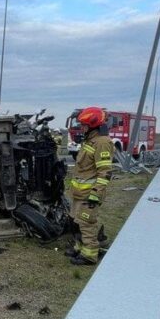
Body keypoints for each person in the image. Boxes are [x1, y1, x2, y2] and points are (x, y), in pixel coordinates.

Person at [66, 106, 114, 266]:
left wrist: (95, 194)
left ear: (93, 126)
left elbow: (105, 172)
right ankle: (79, 248)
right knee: (76, 223)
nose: (82, 128)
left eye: (84, 125)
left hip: (89, 195)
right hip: (79, 194)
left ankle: (89, 255)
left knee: (86, 224)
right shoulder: (90, 141)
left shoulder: (102, 143)